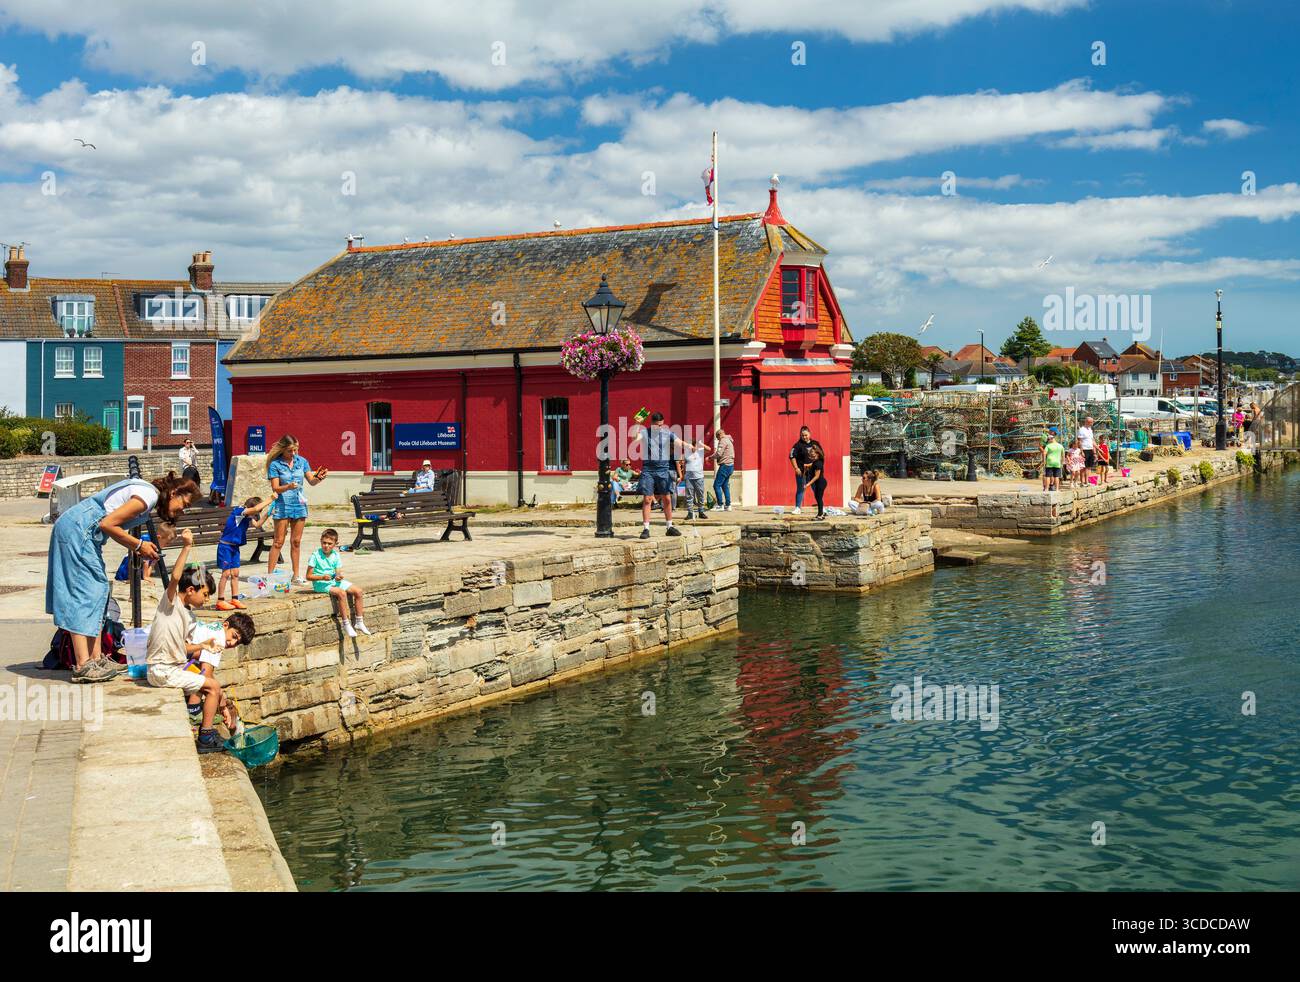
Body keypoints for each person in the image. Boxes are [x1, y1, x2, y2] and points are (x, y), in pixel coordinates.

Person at [46, 471, 199, 684]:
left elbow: (110, 525)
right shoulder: (148, 496)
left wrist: (139, 548)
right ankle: (83, 665)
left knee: (98, 590)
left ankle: (96, 658)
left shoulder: (147, 495)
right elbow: (107, 524)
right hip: (78, 531)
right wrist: (138, 545)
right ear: (174, 492)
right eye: (185, 502)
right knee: (85, 593)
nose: (184, 508)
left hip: (83, 532)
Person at [145, 529, 226, 753]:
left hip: (168, 668)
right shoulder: (170, 603)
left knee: (208, 682)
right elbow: (176, 577)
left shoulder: (188, 616)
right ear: (190, 590)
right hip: (161, 671)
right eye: (205, 594)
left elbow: (181, 648)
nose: (207, 599)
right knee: (213, 687)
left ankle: (203, 730)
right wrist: (187, 547)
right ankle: (206, 738)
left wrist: (202, 646)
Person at [266, 434, 329, 586]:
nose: (293, 453)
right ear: (282, 449)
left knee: (296, 542)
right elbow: (275, 488)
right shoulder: (275, 464)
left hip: (299, 505)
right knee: (278, 542)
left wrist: (319, 478)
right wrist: (287, 486)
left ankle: (296, 575)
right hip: (282, 505)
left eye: (295, 450)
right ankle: (269, 576)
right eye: (290, 450)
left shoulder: (302, 462)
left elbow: (311, 481)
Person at [183, 612, 256, 731]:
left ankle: (194, 707)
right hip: (171, 658)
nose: (232, 643)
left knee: (200, 668)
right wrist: (222, 704)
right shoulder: (218, 639)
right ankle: (194, 712)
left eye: (237, 643)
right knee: (206, 679)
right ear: (226, 625)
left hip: (171, 652)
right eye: (234, 636)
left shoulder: (214, 628)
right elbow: (206, 675)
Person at [215, 493, 278, 610]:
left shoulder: (247, 516)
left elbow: (258, 524)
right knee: (226, 574)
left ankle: (235, 599)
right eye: (256, 513)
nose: (257, 514)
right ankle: (220, 600)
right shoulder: (239, 511)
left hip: (234, 547)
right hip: (225, 547)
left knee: (235, 573)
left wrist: (268, 514)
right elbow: (255, 509)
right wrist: (271, 498)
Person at [307, 529, 370, 637]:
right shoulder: (315, 555)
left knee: (358, 591)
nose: (326, 546)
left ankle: (359, 622)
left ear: (336, 544)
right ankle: (346, 623)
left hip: (332, 581)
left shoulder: (335, 555)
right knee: (341, 593)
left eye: (329, 544)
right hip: (321, 583)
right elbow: (308, 576)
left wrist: (338, 577)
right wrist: (322, 577)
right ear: (321, 541)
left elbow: (337, 571)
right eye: (324, 543)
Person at [634, 411, 685, 538]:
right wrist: (637, 424)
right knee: (647, 499)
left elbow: (679, 442)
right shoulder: (645, 432)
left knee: (667, 498)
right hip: (648, 470)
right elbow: (635, 439)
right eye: (657, 425)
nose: (660, 427)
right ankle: (646, 529)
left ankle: (669, 527)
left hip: (663, 469)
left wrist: (689, 445)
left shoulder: (667, 433)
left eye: (661, 425)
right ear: (652, 424)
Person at [789, 426, 824, 515]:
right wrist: (796, 468)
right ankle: (797, 508)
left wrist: (816, 466)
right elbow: (792, 456)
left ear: (809, 434)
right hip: (801, 471)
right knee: (800, 489)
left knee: (816, 489)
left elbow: (821, 455)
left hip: (813, 471)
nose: (804, 437)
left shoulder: (815, 443)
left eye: (806, 435)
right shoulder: (797, 445)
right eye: (802, 435)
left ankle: (821, 508)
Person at [683, 437, 711, 520]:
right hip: (689, 478)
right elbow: (685, 464)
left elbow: (709, 449)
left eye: (691, 446)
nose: (690, 447)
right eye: (688, 446)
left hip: (699, 477)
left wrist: (701, 444)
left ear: (695, 445)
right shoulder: (686, 453)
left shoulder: (700, 451)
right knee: (689, 496)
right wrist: (683, 475)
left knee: (700, 495)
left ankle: (701, 512)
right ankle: (690, 513)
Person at [710, 427, 735, 511]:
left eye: (717, 437)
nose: (717, 439)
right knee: (725, 486)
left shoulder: (723, 440)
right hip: (731, 465)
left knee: (716, 485)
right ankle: (728, 505)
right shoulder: (729, 440)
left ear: (720, 434)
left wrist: (710, 457)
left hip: (725, 466)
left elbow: (719, 453)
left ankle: (720, 505)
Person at [803, 445, 829, 519]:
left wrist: (808, 484)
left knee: (819, 498)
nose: (811, 455)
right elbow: (812, 464)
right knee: (818, 498)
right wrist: (806, 465)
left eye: (813, 454)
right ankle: (821, 513)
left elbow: (817, 476)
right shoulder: (817, 461)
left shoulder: (818, 463)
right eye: (811, 454)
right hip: (819, 483)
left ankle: (820, 515)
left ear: (817, 454)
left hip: (820, 483)